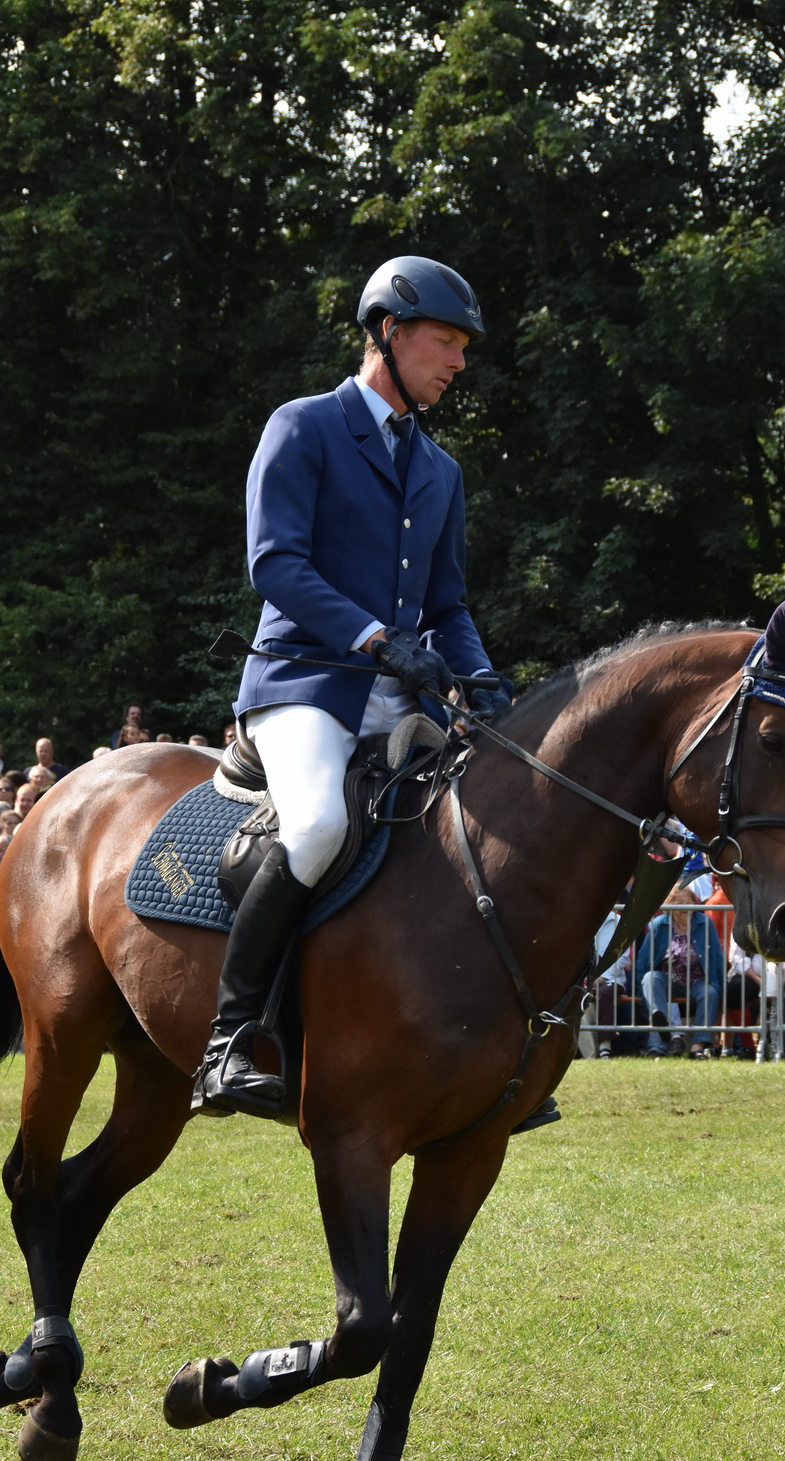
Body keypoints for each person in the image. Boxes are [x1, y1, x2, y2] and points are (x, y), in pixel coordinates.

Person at [191, 256, 507, 1117]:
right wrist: (374, 636)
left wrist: (478, 678)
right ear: (390, 335)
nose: (457, 362)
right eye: (444, 342)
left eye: (462, 347)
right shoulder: (304, 426)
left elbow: (446, 602)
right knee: (322, 822)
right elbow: (275, 565)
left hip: (404, 694)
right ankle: (228, 1042)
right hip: (304, 683)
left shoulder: (441, 471)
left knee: (490, 821)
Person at [636, 886, 725, 1058]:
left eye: (688, 902)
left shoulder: (704, 923)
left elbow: (716, 955)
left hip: (697, 979)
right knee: (650, 978)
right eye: (679, 903)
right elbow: (643, 959)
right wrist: (640, 988)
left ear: (695, 904)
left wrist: (719, 985)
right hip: (667, 978)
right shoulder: (658, 925)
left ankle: (697, 1047)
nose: (685, 907)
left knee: (710, 993)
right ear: (670, 905)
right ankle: (658, 1046)